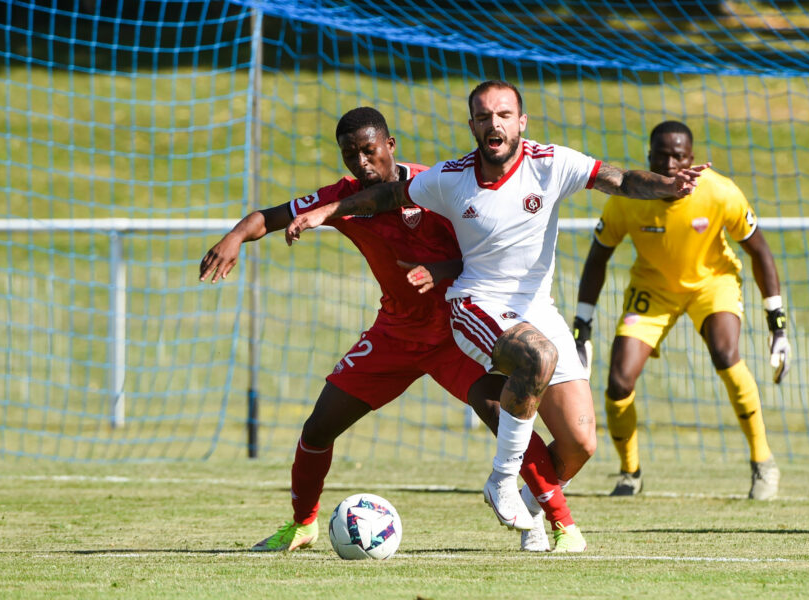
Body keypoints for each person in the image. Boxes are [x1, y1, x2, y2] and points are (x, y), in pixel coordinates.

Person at [284, 81, 709, 532]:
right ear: (472, 125)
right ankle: (504, 481)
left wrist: (666, 186)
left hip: (537, 309)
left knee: (580, 442)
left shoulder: (552, 163)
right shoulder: (451, 177)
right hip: (476, 301)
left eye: (504, 114)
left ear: (521, 121)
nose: (495, 123)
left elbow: (620, 180)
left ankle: (528, 508)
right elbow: (389, 196)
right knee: (536, 356)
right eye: (484, 116)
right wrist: (327, 212)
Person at [200, 107, 584, 553]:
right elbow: (268, 216)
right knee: (318, 428)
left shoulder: (435, 187)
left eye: (369, 151)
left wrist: (439, 269)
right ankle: (302, 525)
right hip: (394, 336)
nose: (361, 163)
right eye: (350, 155)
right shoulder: (342, 199)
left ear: (390, 145)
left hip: (454, 334)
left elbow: (484, 260)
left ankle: (562, 524)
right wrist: (234, 237)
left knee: (504, 416)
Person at [573, 120, 789, 500]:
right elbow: (597, 258)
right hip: (653, 289)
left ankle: (763, 461)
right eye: (662, 156)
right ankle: (630, 473)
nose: (671, 164)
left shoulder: (720, 192)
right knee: (619, 381)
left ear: (692, 159)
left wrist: (777, 323)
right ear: (649, 157)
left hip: (712, 283)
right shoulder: (626, 198)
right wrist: (582, 325)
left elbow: (760, 251)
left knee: (726, 353)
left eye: (679, 156)